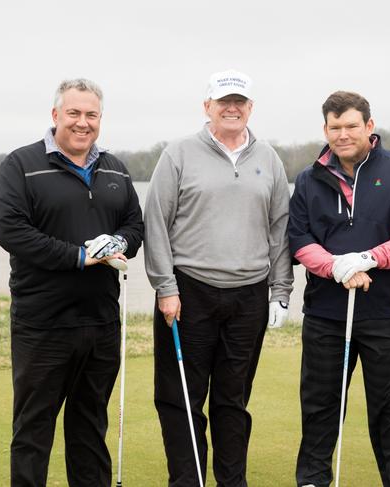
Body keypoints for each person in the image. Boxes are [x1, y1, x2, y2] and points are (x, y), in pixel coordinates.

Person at [144, 69, 293, 487]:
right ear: (207, 106)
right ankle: (188, 481)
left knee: (233, 399)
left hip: (248, 297)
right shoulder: (178, 153)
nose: (232, 108)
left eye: (239, 102)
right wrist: (165, 287)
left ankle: (232, 481)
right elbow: (156, 221)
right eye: (223, 101)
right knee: (181, 398)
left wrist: (280, 291)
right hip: (188, 292)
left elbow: (280, 228)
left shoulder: (269, 158)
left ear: (250, 108)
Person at [0, 78, 144, 487]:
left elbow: (134, 223)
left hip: (100, 321)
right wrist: (80, 256)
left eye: (91, 114)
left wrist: (119, 241)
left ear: (100, 118)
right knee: (33, 429)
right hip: (43, 323)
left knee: (90, 425)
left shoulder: (115, 168)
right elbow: (12, 232)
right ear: (55, 115)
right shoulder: (21, 164)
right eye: (74, 113)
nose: (82, 122)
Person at [288, 91, 390, 487]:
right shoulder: (308, 179)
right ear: (325, 129)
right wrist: (335, 266)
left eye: (351, 125)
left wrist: (370, 258)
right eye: (335, 127)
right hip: (326, 315)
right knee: (320, 407)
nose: (343, 134)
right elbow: (299, 239)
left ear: (369, 126)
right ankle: (313, 481)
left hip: (388, 314)